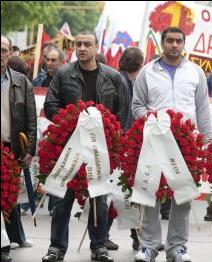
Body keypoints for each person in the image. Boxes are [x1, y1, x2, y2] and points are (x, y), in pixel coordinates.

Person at [42, 32, 125, 262]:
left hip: (101, 149)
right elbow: (50, 105)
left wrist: (113, 138)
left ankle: (98, 246)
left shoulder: (113, 77)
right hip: (70, 146)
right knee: (62, 199)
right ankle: (56, 248)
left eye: (87, 44)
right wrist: (70, 119)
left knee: (99, 199)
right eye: (78, 44)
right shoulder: (62, 74)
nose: (81, 48)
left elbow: (121, 113)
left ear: (97, 47)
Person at [132, 26, 212, 262]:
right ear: (162, 43)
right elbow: (136, 105)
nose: (174, 45)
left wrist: (206, 143)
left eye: (178, 41)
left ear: (184, 43)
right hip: (155, 142)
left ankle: (177, 247)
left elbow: (202, 109)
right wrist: (153, 122)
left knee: (183, 195)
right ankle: (148, 245)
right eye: (169, 41)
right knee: (152, 192)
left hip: (187, 144)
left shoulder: (196, 72)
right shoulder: (147, 72)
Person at [104, 47, 144, 252]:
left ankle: (136, 235)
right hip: (123, 141)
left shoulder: (123, 79)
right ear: (140, 64)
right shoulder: (123, 82)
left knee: (123, 192)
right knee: (121, 192)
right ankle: (105, 235)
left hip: (121, 140)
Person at [1, 35, 37, 262]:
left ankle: (8, 242)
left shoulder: (22, 82)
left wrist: (30, 150)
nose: (0, 54)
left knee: (6, 197)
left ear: (9, 53)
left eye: (3, 50)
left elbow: (31, 120)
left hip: (10, 148)